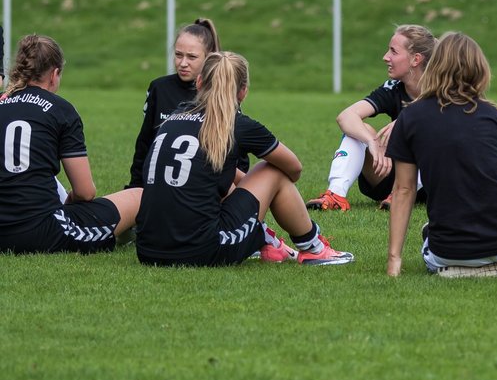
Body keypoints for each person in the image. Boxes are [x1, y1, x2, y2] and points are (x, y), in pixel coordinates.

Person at [135, 52, 353, 267]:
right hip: (199, 251)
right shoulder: (237, 124)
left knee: (222, 182)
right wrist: (260, 190)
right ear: (243, 92)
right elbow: (294, 169)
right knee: (273, 171)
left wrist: (245, 186)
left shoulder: (174, 116)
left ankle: (269, 243)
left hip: (147, 249)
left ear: (199, 82)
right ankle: (314, 248)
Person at [385, 32, 497, 278]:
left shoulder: (410, 117)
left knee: (429, 235)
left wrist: (394, 260)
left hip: (450, 250)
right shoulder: (492, 116)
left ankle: (466, 264)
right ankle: (495, 264)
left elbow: (404, 190)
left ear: (434, 66)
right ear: (479, 69)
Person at [0, 34, 142, 255]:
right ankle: (132, 237)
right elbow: (85, 192)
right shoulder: (61, 110)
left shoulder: (2, 102)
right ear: (55, 74)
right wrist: (68, 201)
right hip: (41, 231)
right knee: (139, 196)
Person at [307, 25, 436, 211]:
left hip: (434, 182)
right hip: (388, 177)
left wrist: (407, 121)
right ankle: (335, 194)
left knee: (431, 130)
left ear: (416, 59)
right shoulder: (394, 87)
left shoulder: (445, 88)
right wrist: (371, 141)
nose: (386, 57)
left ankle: (402, 194)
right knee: (360, 131)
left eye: (393, 51)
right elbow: (346, 116)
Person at [127, 18, 235, 188]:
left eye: (192, 57)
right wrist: (135, 187)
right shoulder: (159, 88)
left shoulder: (220, 92)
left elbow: (236, 153)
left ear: (209, 57)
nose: (183, 63)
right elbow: (145, 143)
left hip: (203, 187)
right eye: (178, 55)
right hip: (160, 184)